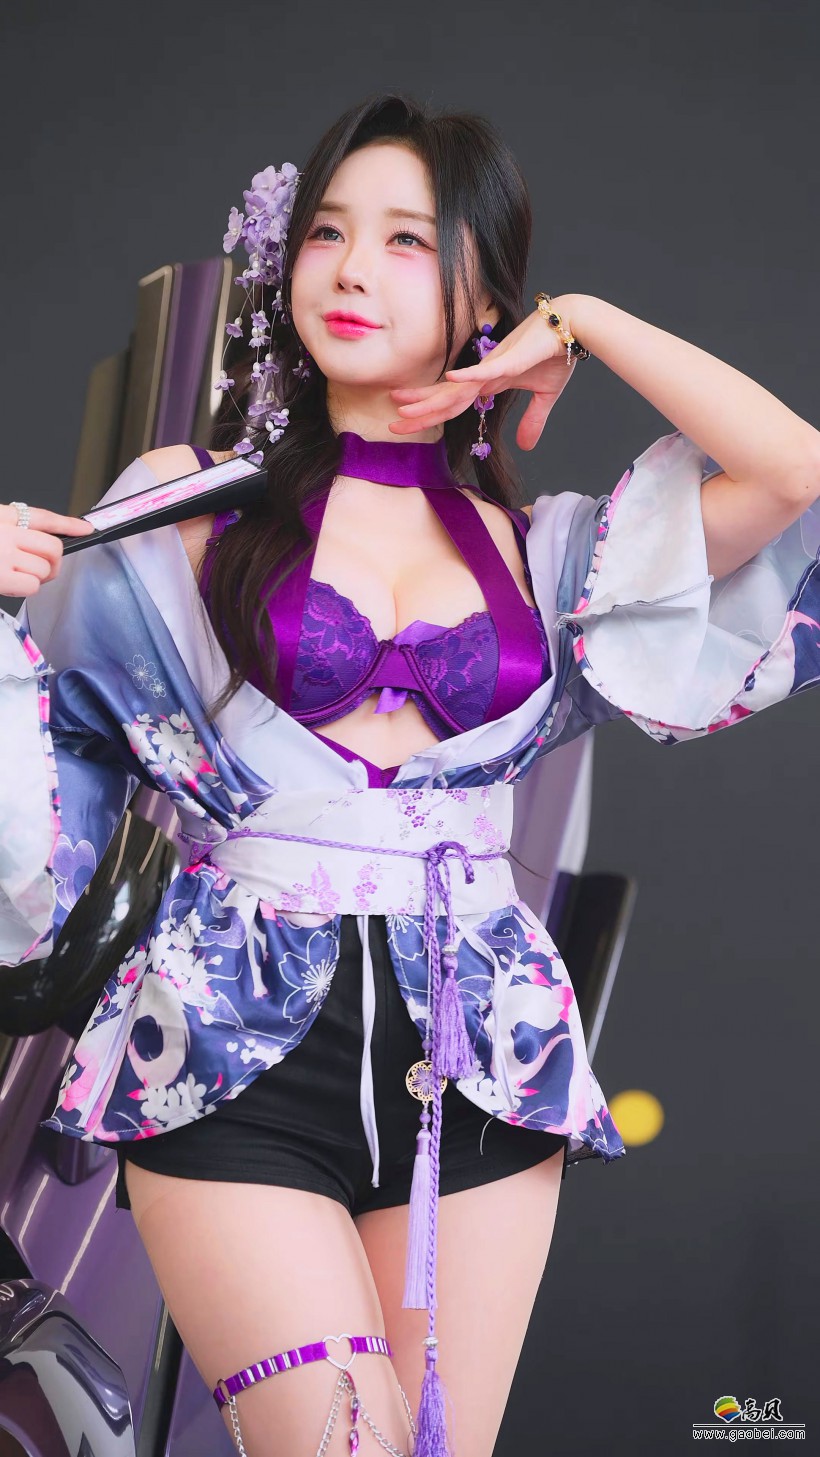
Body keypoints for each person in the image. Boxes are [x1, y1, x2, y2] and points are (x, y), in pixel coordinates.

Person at [1, 89, 819, 1457]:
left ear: (486, 295)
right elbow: (43, 796)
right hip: (229, 1049)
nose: (351, 269)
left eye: (406, 240)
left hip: (480, 1049)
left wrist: (588, 322)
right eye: (327, 232)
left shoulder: (556, 554)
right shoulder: (181, 505)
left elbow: (794, 470)